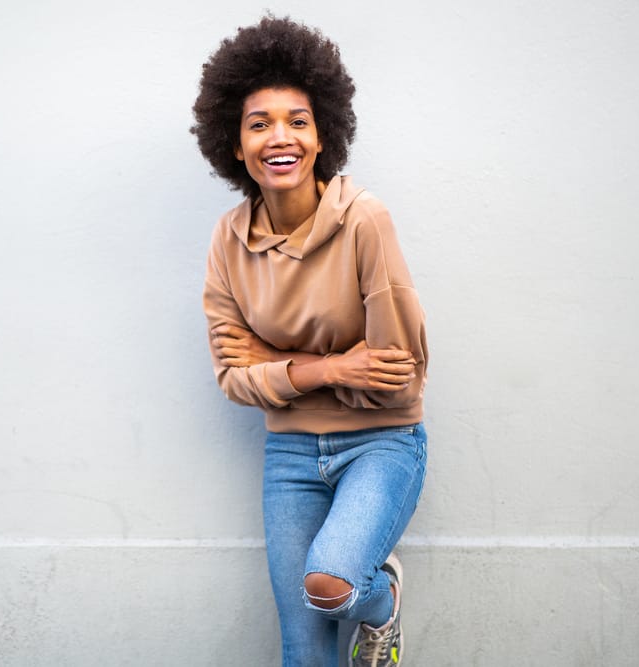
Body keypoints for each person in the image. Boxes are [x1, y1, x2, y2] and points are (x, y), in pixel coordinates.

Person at [192, 15, 428, 667]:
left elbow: (395, 374)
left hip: (381, 440)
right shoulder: (227, 240)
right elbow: (230, 375)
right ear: (235, 145)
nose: (279, 137)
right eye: (258, 122)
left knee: (334, 584)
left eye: (297, 119)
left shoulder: (364, 222)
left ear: (322, 133)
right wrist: (330, 367)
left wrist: (277, 366)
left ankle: (382, 606)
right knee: (302, 647)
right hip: (290, 452)